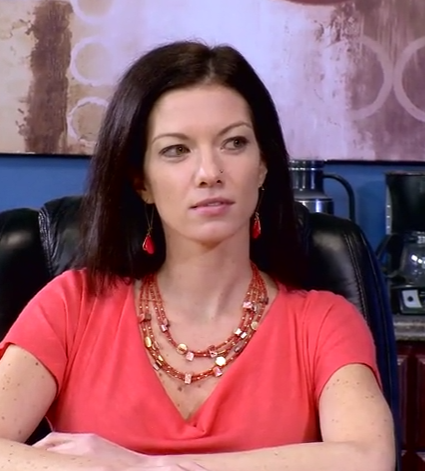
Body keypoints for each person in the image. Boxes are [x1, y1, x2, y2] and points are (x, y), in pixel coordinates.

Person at [0, 41, 395, 471]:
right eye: (176, 150)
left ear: (263, 165)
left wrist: (147, 468)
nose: (209, 172)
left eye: (234, 143)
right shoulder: (73, 305)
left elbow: (367, 458)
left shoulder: (322, 322)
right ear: (142, 182)